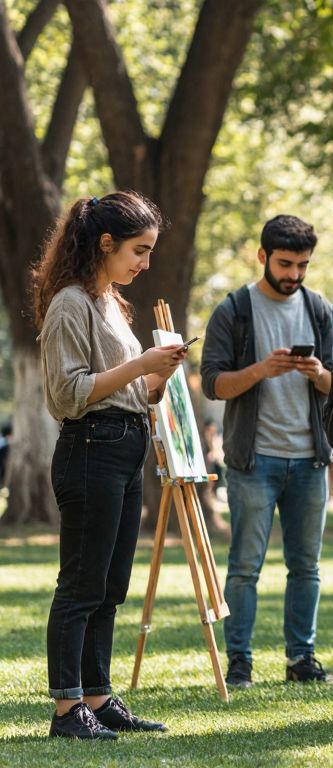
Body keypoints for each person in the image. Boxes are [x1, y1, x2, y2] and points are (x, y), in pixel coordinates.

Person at [34, 192, 185, 739]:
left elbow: (130, 392)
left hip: (124, 447)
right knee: (80, 585)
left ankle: (96, 697)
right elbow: (69, 395)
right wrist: (141, 364)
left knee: (110, 585)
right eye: (138, 251)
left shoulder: (110, 303)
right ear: (105, 244)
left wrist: (158, 376)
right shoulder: (70, 303)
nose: (145, 263)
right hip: (89, 448)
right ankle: (66, 709)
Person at [200, 215, 333, 689]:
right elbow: (213, 383)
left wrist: (317, 372)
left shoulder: (320, 309)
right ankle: (240, 661)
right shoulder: (234, 310)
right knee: (244, 566)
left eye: (302, 265)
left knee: (306, 566)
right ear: (263, 256)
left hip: (308, 459)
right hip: (252, 460)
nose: (295, 274)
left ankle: (302, 658)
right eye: (285, 263)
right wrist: (261, 370)